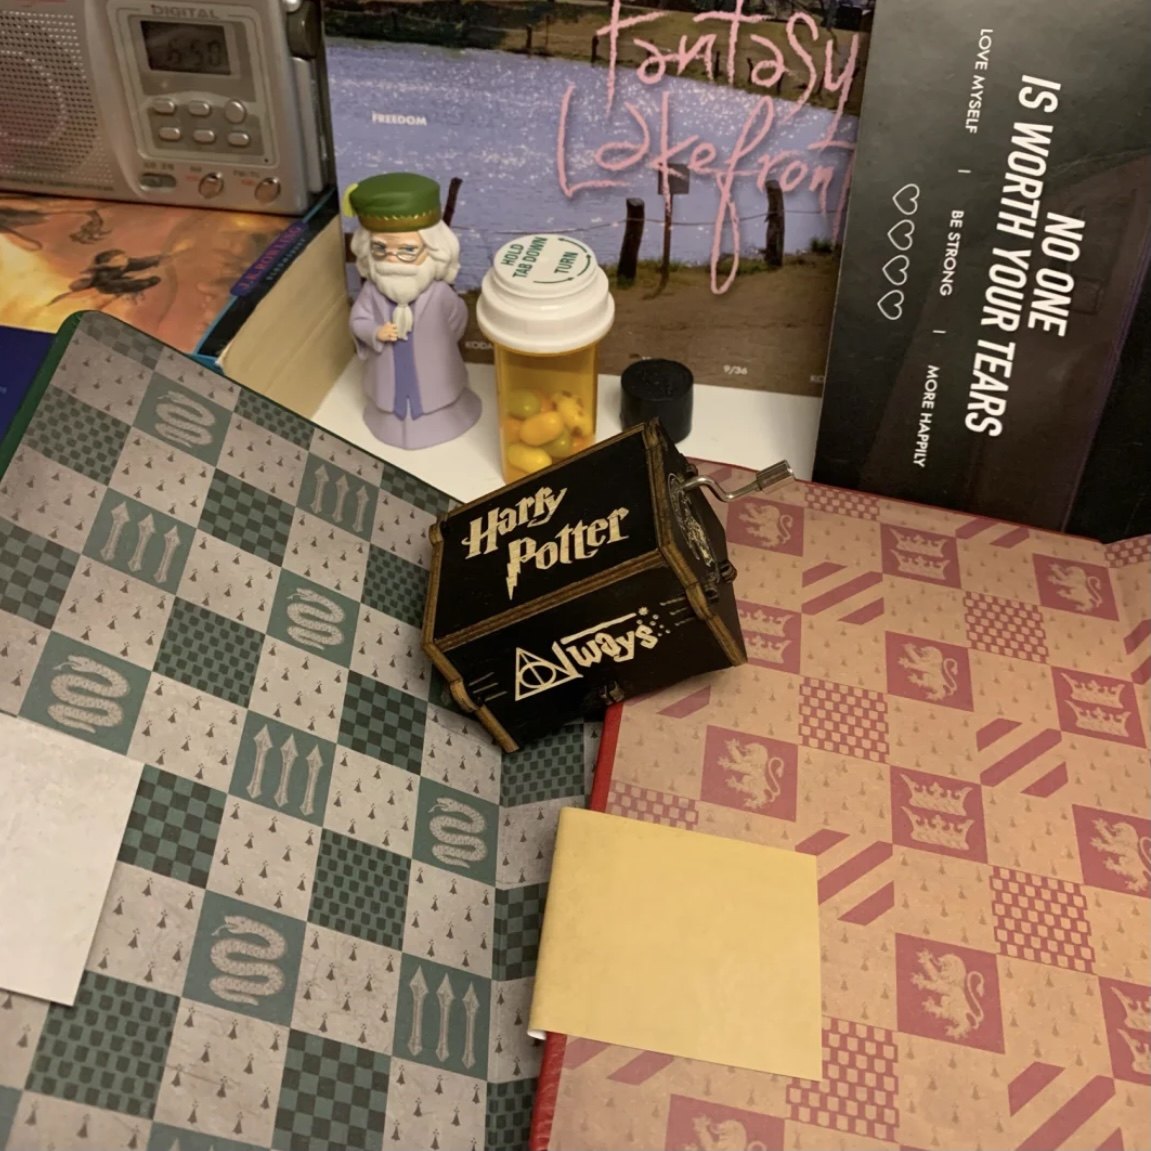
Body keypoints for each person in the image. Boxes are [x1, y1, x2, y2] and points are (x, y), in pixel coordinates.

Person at [347, 173, 481, 449]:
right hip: (387, 375)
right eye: (380, 249)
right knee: (388, 394)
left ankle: (441, 413)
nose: (392, 258)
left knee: (439, 390)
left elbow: (457, 322)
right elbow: (358, 320)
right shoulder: (373, 292)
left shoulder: (439, 293)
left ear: (432, 250)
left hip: (435, 372)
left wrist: (438, 345)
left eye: (407, 250)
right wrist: (375, 332)